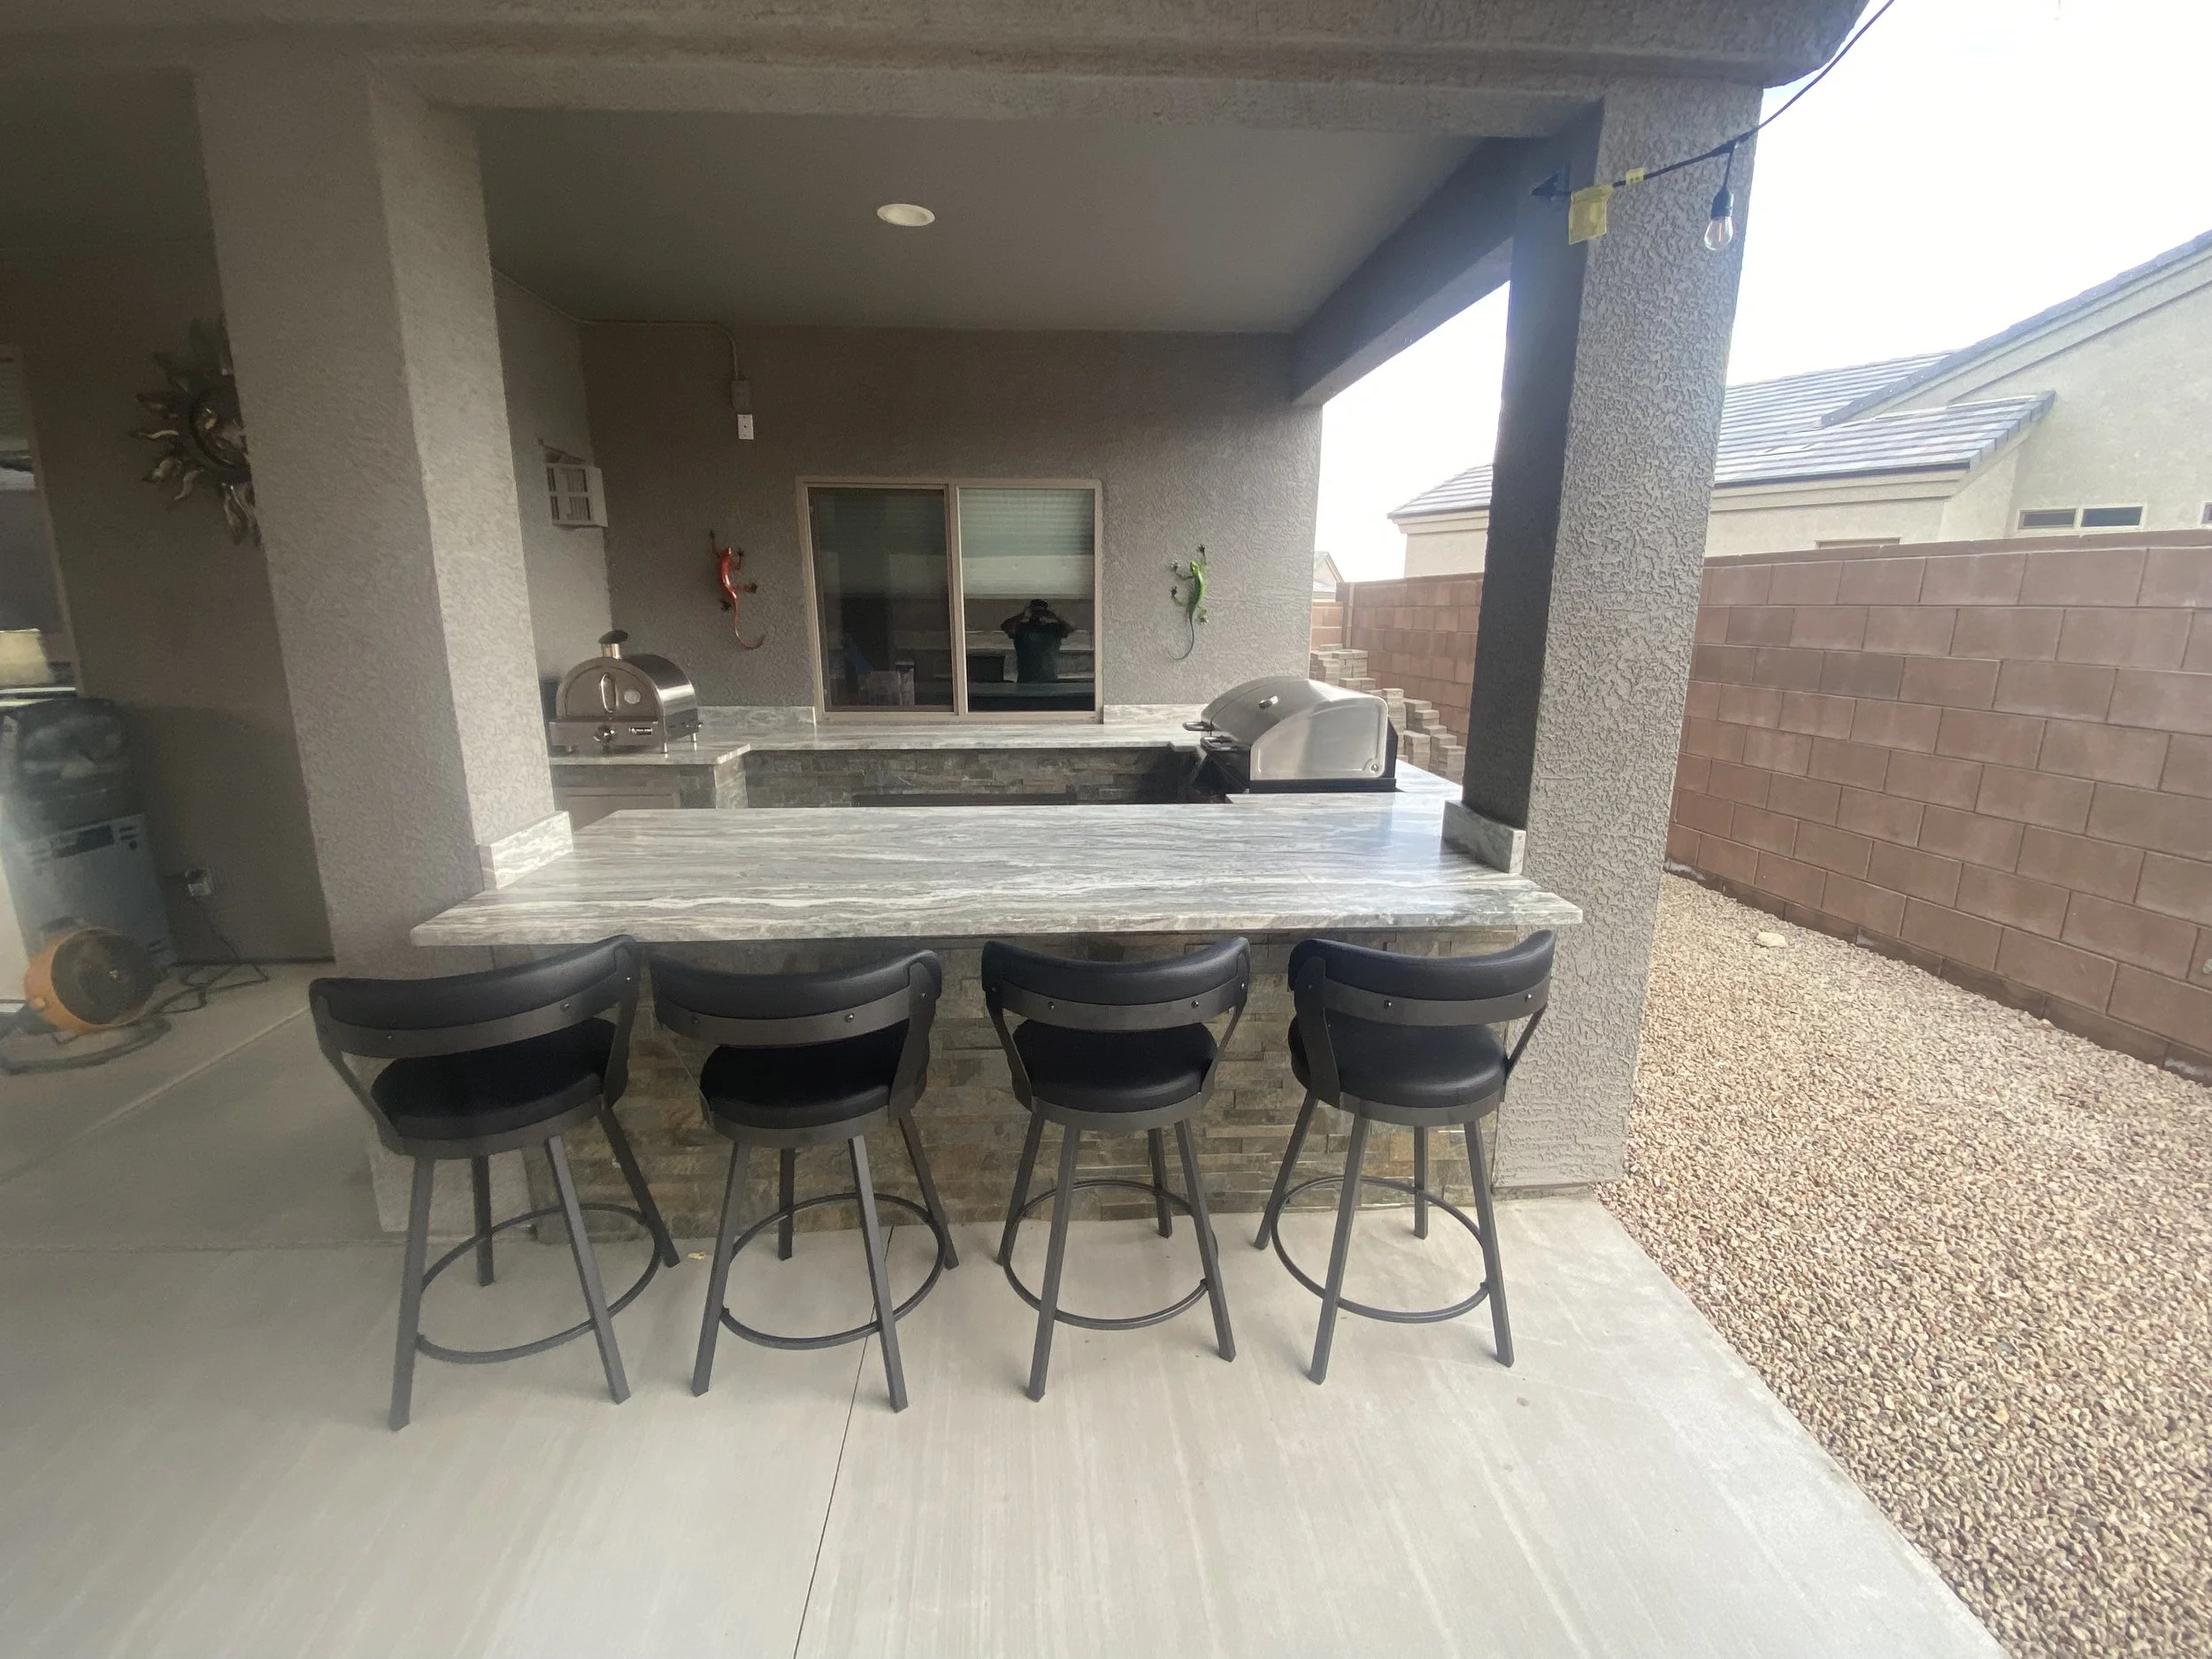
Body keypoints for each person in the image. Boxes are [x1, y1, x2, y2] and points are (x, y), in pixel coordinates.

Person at [1000, 598, 1072, 684]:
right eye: (1035, 611)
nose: (1037, 614)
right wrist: (1022, 615)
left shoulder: (1053, 628)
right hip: (1026, 680)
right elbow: (1005, 626)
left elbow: (1070, 628)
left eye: (1041, 612)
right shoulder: (1021, 628)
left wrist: (1055, 617)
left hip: (1050, 680)